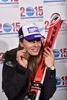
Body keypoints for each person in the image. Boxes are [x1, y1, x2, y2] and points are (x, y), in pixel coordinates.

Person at [2, 23, 57, 100]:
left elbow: (47, 95)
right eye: (31, 41)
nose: (36, 45)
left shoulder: (45, 57)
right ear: (21, 43)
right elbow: (11, 95)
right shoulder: (11, 58)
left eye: (38, 40)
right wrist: (21, 68)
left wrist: (51, 68)